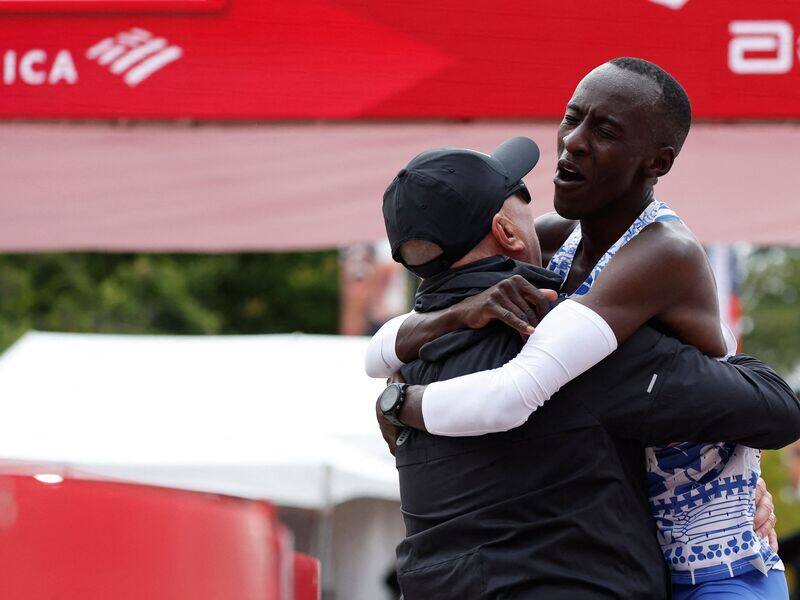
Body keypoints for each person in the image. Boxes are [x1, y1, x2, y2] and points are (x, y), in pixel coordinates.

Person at [367, 59, 797, 598]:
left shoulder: (661, 253)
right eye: (572, 119)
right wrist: (456, 316)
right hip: (652, 550)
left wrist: (396, 402)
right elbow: (392, 341)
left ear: (657, 161)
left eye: (605, 130)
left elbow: (514, 391)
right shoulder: (554, 239)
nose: (573, 142)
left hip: (717, 561)